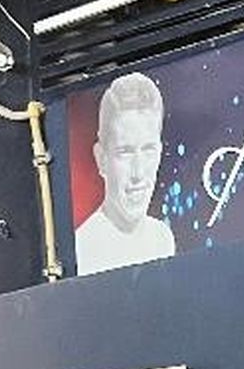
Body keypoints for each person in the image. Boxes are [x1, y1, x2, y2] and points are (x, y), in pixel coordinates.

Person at [73, 71, 176, 273]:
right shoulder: (84, 249)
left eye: (148, 150)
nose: (138, 173)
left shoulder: (162, 238)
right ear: (101, 158)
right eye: (125, 152)